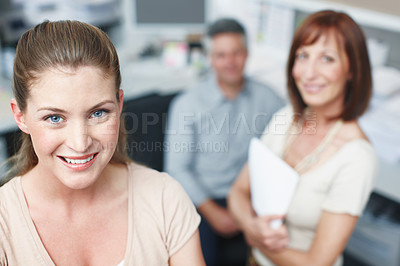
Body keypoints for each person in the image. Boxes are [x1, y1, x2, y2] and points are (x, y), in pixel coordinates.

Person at [0, 20, 205, 266]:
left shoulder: (165, 199)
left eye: (98, 113)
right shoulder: (4, 222)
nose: (80, 143)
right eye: (54, 118)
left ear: (119, 105)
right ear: (20, 116)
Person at [228, 10, 378, 266]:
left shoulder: (357, 157)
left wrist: (254, 236)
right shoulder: (287, 118)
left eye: (327, 59)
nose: (308, 73)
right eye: (303, 56)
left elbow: (316, 263)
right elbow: (238, 191)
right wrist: (250, 225)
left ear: (352, 69)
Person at [164, 18, 285, 265]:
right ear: (210, 58)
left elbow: (286, 149)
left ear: (247, 54)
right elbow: (177, 168)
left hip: (251, 197)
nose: (230, 62)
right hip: (203, 199)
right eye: (221, 55)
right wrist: (213, 212)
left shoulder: (269, 98)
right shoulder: (187, 104)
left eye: (236, 53)